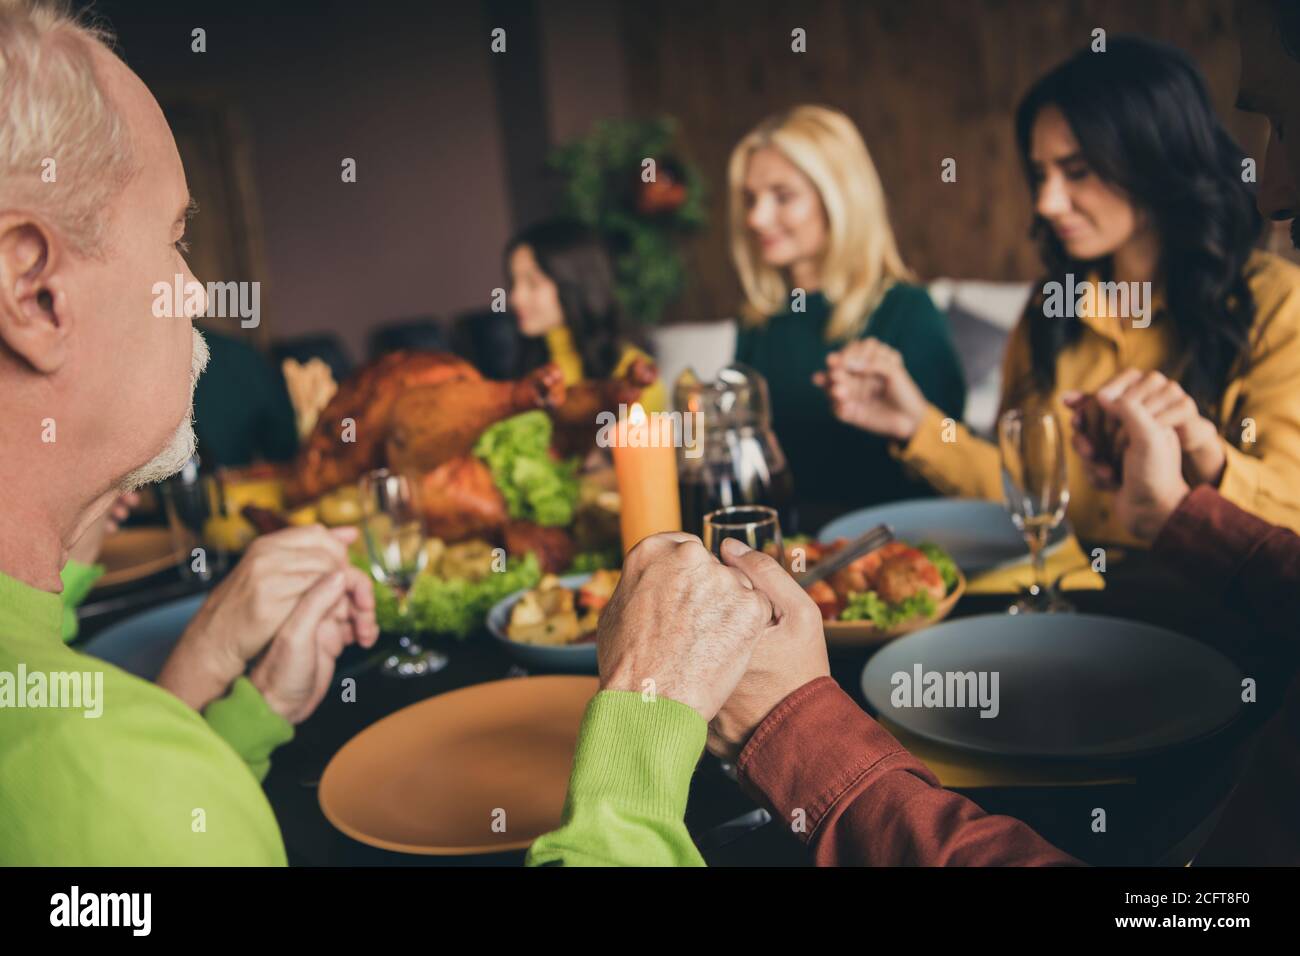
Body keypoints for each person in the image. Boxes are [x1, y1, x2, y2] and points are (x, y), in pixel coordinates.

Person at [0, 1, 377, 864]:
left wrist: (228, 699)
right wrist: (637, 745)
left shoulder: (105, 773)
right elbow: (121, 806)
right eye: (174, 240)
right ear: (33, 291)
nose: (198, 296)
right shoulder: (106, 780)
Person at [820, 38, 1300, 546]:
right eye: (1040, 174)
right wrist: (915, 423)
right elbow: (1027, 491)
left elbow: (1291, 511)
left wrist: (1207, 456)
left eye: (1077, 171)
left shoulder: (1276, 303)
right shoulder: (1052, 308)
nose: (1046, 202)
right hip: (1066, 598)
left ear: (1157, 159)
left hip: (1197, 613)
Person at [728, 105, 965, 528]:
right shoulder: (759, 320)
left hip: (888, 551)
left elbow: (955, 475)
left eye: (783, 196)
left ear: (839, 197)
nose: (756, 217)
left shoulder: (907, 312)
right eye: (750, 199)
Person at [506, 218, 666, 415]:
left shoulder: (634, 378)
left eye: (533, 283)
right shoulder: (529, 371)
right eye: (513, 283)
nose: (515, 298)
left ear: (573, 284)